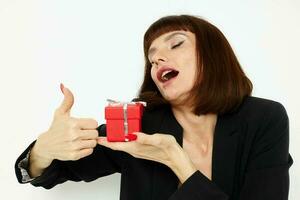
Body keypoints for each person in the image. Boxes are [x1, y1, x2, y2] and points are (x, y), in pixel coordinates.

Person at [15, 14, 293, 200]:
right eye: (151, 56)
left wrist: (177, 161)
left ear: (213, 55)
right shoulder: (141, 123)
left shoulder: (264, 119)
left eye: (176, 44)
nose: (157, 58)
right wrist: (42, 151)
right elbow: (49, 171)